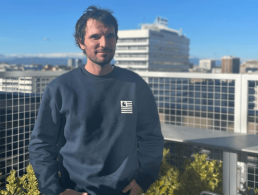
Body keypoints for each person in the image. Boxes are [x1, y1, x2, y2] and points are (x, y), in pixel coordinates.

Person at [29, 5, 164, 195]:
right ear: (81, 42)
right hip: (75, 190)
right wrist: (54, 190)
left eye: (110, 36)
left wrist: (144, 179)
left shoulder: (135, 85)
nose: (104, 43)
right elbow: (41, 144)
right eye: (95, 37)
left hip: (125, 190)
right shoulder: (60, 88)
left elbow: (151, 137)